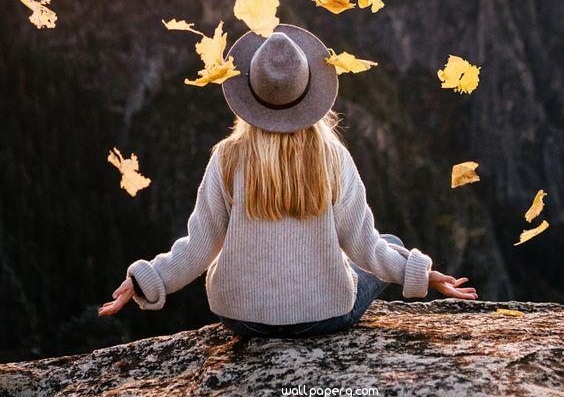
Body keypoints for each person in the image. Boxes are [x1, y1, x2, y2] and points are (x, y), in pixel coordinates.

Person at [98, 24, 477, 338]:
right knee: (390, 244)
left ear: (250, 95)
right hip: (321, 318)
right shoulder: (333, 158)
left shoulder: (227, 159)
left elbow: (200, 246)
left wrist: (147, 279)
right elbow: (365, 246)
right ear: (310, 94)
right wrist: (422, 274)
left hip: (242, 318)